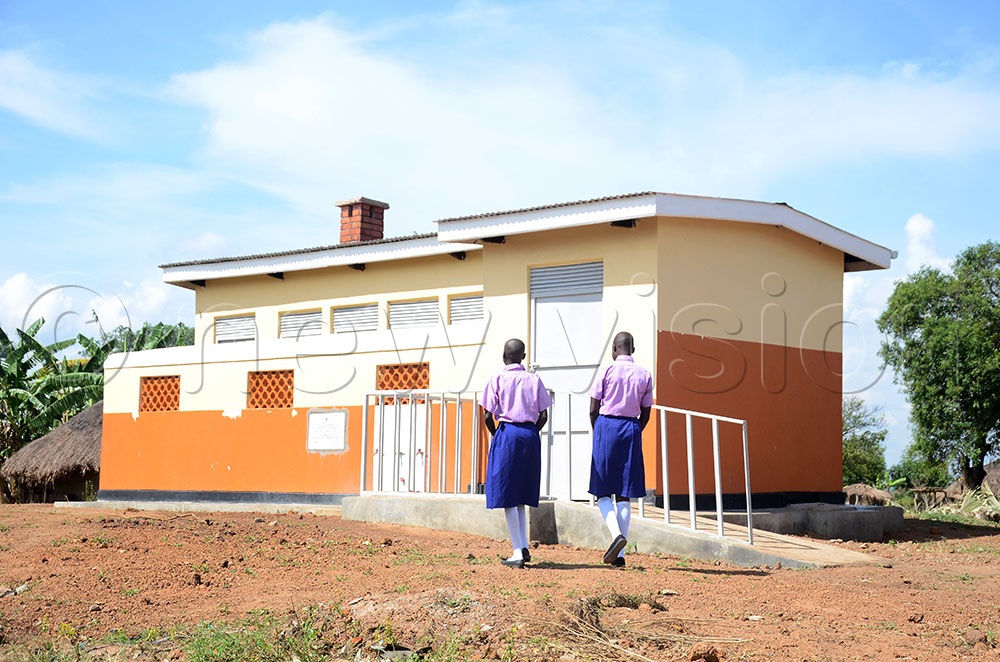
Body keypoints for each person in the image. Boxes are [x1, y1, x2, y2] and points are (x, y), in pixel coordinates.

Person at [480, 338, 552, 568]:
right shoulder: (534, 379)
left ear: (504, 356)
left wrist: (498, 434)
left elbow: (486, 415)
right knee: (521, 494)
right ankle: (524, 547)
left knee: (508, 494)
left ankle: (517, 552)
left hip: (507, 434)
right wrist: (529, 432)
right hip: (529, 436)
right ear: (523, 356)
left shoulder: (497, 379)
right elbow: (543, 416)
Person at [589, 331, 653, 567]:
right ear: (632, 349)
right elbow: (646, 411)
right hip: (631, 427)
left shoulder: (606, 370)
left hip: (607, 425)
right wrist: (634, 430)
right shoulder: (644, 374)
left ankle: (616, 535)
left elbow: (593, 408)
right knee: (624, 492)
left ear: (614, 350)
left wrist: (599, 432)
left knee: (602, 490)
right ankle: (620, 557)